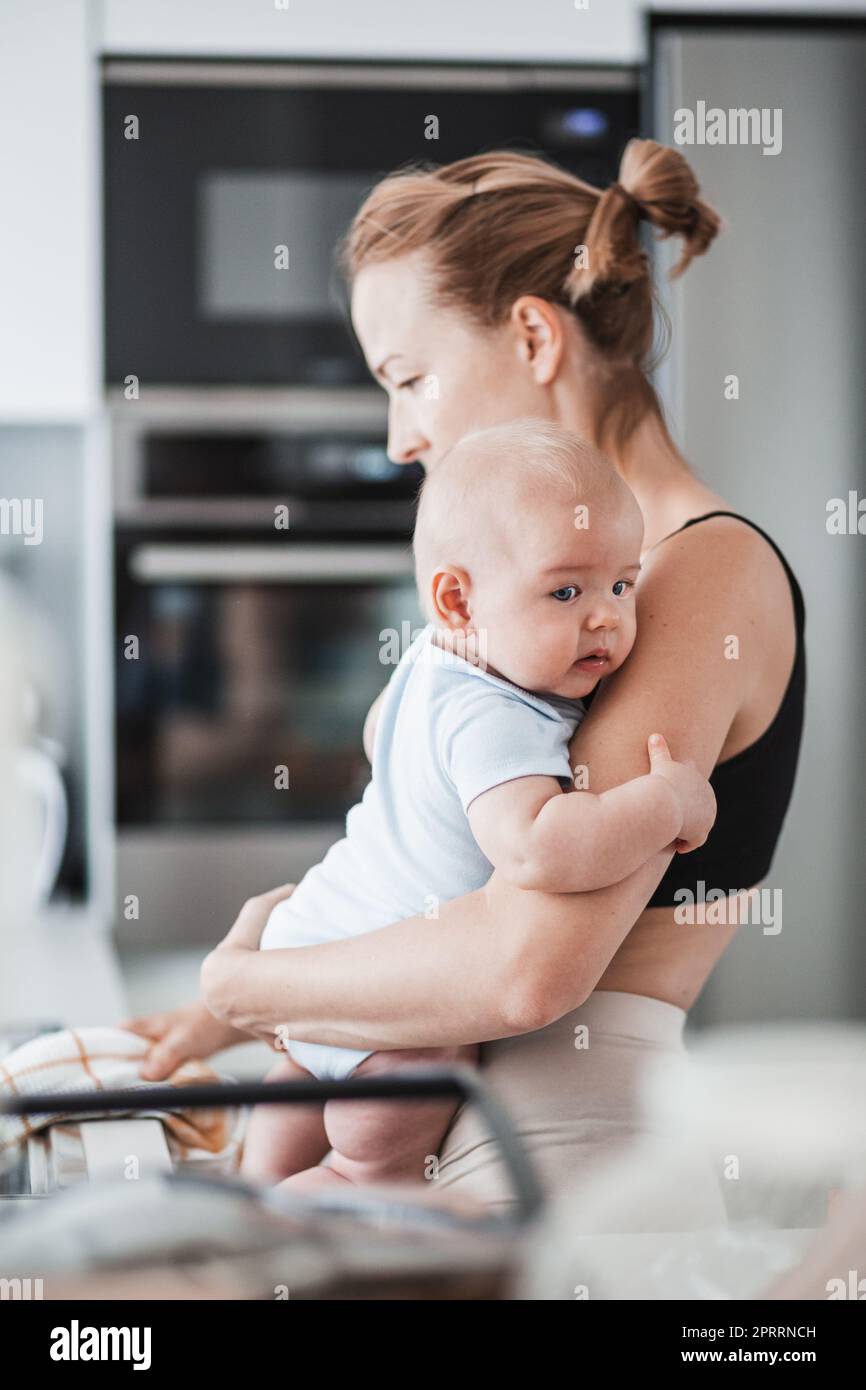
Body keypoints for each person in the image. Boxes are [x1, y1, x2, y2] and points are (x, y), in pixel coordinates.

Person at [127, 138, 806, 1228]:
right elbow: (427, 859)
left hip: (551, 1158)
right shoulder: (543, 598)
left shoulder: (695, 573)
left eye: (409, 380)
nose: (401, 437)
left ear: (533, 335)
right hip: (451, 1122)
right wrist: (243, 1009)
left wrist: (254, 989)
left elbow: (523, 964)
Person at [237, 421, 715, 1190]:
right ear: (457, 599)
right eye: (565, 591)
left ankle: (245, 1208)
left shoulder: (433, 661)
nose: (606, 618)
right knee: (370, 1174)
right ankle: (326, 1200)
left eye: (622, 584)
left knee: (261, 1174)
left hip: (315, 961)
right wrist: (666, 804)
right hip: (399, 1014)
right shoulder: (495, 714)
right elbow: (539, 849)